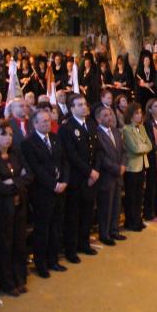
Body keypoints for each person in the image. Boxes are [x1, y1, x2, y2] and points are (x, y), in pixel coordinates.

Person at [0, 121, 32, 296]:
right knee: (6, 245)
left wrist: (14, 181)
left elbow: (30, 175)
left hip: (20, 205)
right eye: (4, 134)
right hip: (3, 209)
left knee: (20, 243)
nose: (8, 138)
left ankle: (20, 279)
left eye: (11, 135)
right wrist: (19, 180)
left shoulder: (16, 153)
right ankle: (8, 283)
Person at [21, 109, 68, 278]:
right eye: (43, 121)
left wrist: (64, 181)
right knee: (43, 229)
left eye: (48, 120)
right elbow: (36, 168)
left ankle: (53, 260)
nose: (47, 123)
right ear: (35, 124)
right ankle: (40, 264)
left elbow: (64, 162)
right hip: (42, 192)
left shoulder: (56, 139)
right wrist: (53, 184)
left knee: (56, 227)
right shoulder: (28, 143)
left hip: (60, 190)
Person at [58, 94, 101, 262]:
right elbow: (71, 155)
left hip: (91, 178)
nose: (84, 107)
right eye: (80, 105)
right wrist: (89, 172)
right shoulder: (66, 128)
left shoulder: (91, 124)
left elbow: (97, 150)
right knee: (73, 215)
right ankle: (71, 250)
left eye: (85, 103)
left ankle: (84, 244)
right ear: (72, 108)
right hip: (77, 178)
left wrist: (95, 170)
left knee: (87, 213)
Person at [94, 106, 126, 245]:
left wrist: (123, 165)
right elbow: (101, 157)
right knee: (106, 206)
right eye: (106, 115)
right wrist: (116, 168)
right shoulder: (97, 134)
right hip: (106, 175)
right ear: (99, 119)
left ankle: (114, 230)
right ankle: (104, 234)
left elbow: (123, 151)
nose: (110, 117)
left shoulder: (116, 131)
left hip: (118, 174)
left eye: (110, 114)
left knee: (116, 204)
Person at [122, 103, 152, 231]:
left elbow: (150, 145)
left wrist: (142, 147)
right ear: (130, 115)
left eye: (140, 113)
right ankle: (130, 221)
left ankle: (138, 219)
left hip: (142, 165)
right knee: (131, 196)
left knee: (140, 194)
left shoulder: (142, 127)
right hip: (132, 167)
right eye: (137, 113)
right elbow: (134, 149)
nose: (140, 116)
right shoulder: (126, 129)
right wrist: (142, 147)